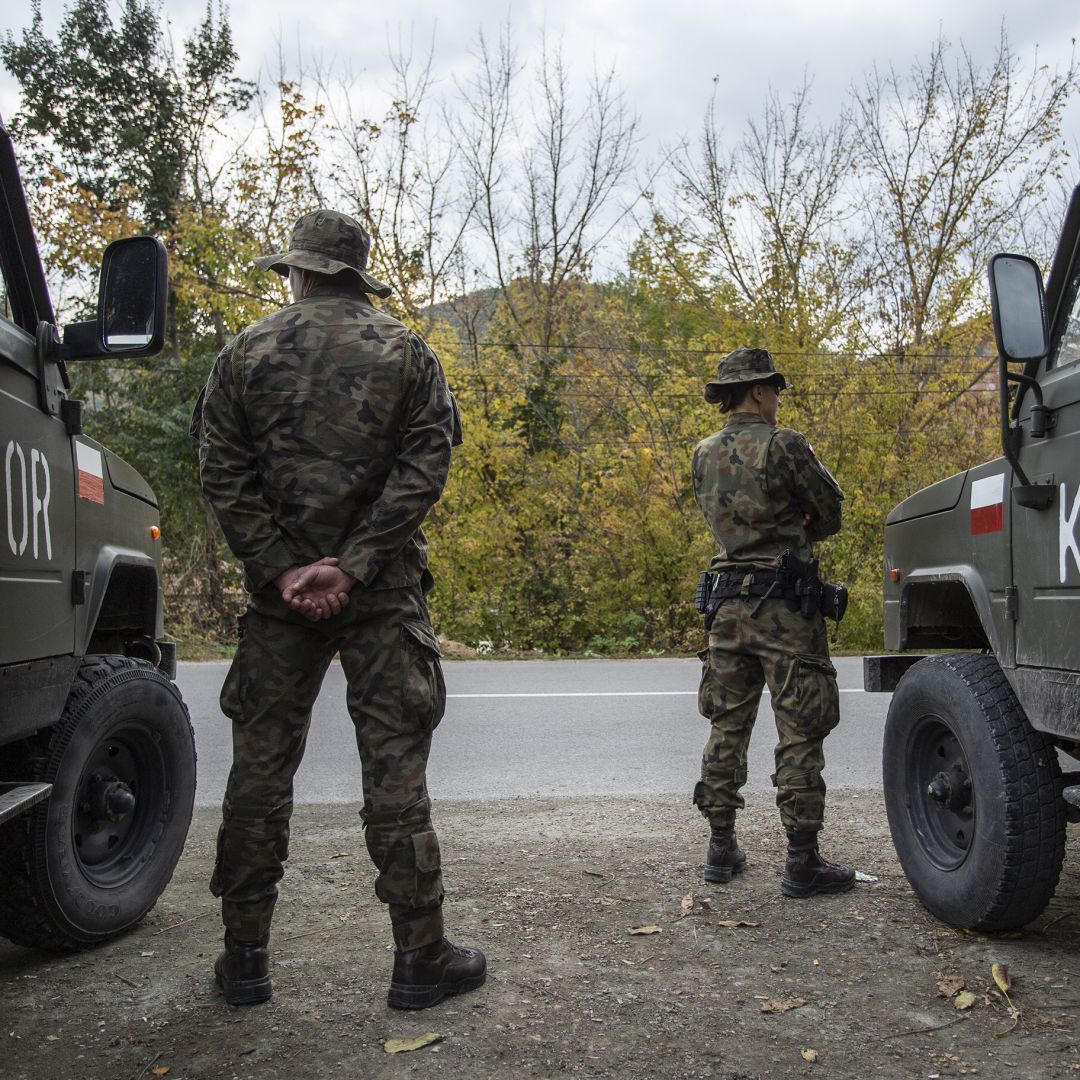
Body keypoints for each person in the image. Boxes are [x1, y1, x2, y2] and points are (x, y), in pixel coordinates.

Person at [195, 209, 485, 1010]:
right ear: (355, 274)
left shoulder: (244, 353)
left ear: (299, 272)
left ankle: (245, 963)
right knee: (394, 773)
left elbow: (222, 472)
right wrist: (353, 566)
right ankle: (419, 961)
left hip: (277, 600)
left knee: (259, 775)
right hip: (382, 593)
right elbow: (425, 468)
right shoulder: (405, 351)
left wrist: (284, 567)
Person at [691, 347, 855, 898]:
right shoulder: (784, 445)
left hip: (726, 607)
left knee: (727, 725)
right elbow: (829, 512)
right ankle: (802, 861)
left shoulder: (702, 453)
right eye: (774, 391)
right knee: (800, 728)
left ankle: (720, 848)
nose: (777, 401)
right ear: (758, 391)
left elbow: (722, 519)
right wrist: (799, 520)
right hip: (784, 608)